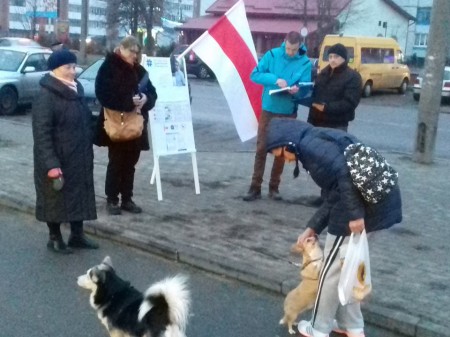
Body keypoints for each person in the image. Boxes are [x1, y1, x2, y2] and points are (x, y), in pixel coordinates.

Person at [266, 118, 402, 337]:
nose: (284, 160)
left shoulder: (310, 148)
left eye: (280, 154)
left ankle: (319, 328)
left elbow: (345, 175)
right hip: (376, 204)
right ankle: (352, 327)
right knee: (345, 271)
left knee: (329, 273)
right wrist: (313, 227)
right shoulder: (316, 139)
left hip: (357, 211)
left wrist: (356, 215)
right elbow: (335, 191)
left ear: (287, 144)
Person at [32, 49, 99, 254]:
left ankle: (76, 235)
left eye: (73, 66)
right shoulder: (46, 96)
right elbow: (42, 134)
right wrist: (51, 164)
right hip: (57, 158)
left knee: (78, 194)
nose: (73, 71)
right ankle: (55, 238)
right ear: (56, 69)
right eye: (67, 67)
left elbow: (84, 118)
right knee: (54, 198)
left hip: (78, 155)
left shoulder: (75, 89)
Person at [243, 31, 312, 202]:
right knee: (261, 148)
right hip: (269, 109)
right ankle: (255, 187)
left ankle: (274, 188)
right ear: (284, 43)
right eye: (288, 48)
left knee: (281, 151)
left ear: (300, 47)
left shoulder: (304, 62)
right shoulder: (272, 55)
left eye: (294, 50)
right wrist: (275, 80)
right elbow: (255, 75)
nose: (290, 52)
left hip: (288, 111)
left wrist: (296, 90)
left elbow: (305, 88)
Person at [94, 36, 157, 215]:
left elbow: (153, 93)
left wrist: (146, 99)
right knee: (116, 162)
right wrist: (128, 102)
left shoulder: (140, 70)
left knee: (131, 163)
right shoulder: (108, 67)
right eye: (131, 51)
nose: (134, 56)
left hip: (135, 125)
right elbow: (103, 94)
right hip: (116, 124)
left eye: (137, 52)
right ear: (121, 48)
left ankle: (127, 199)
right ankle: (112, 199)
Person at [307, 43, 362, 131]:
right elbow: (315, 96)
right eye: (330, 57)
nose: (332, 60)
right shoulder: (323, 73)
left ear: (344, 58)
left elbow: (350, 102)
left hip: (337, 124)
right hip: (316, 122)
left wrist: (326, 108)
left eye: (336, 57)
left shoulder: (352, 76)